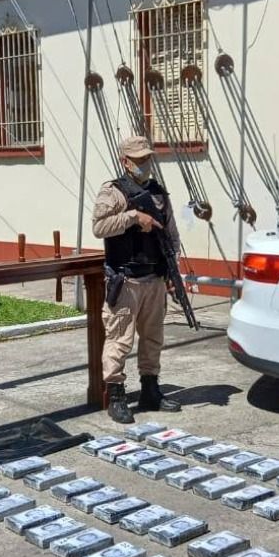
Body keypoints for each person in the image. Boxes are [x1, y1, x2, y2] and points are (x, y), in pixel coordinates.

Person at [92, 135, 185, 424]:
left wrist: (172, 270)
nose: (145, 165)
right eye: (139, 160)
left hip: (154, 277)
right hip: (126, 279)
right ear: (125, 161)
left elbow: (171, 234)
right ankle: (117, 395)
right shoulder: (113, 192)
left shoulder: (158, 192)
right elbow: (99, 227)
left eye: (147, 159)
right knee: (120, 339)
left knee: (153, 338)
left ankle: (150, 389)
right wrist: (133, 217)